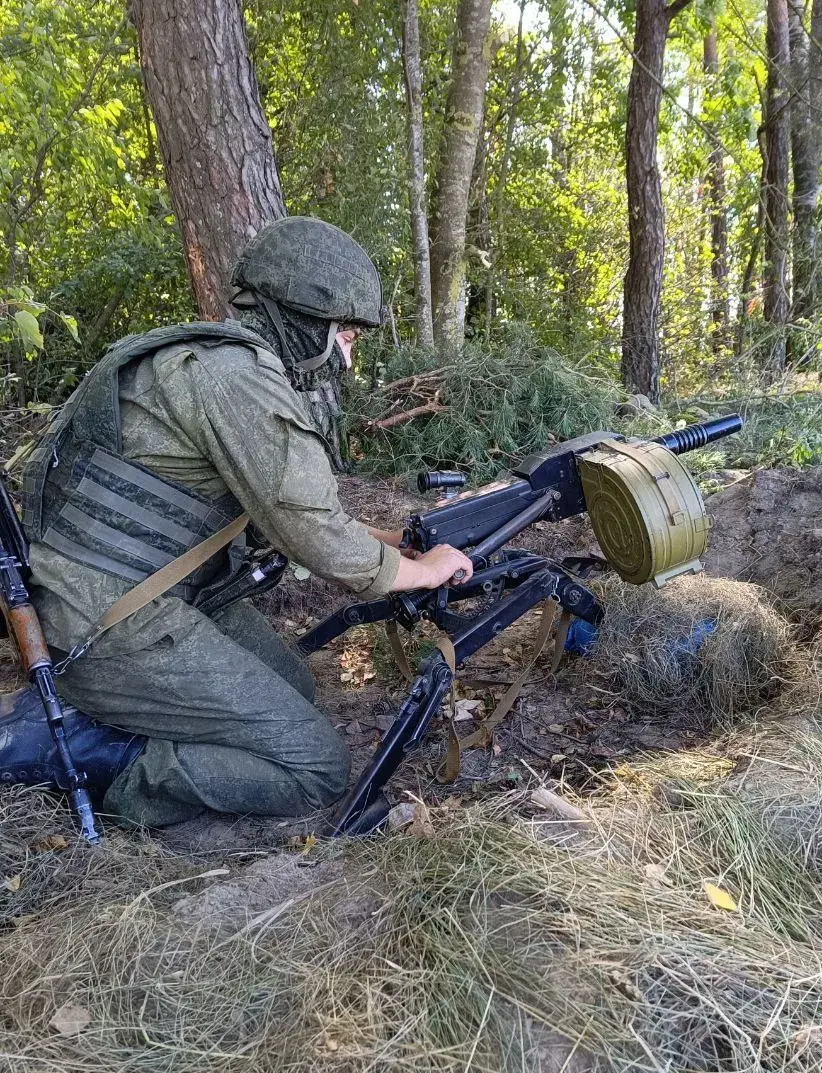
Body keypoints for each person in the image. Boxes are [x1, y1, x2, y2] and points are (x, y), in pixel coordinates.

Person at [3, 217, 472, 827]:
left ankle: (121, 716)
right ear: (306, 320)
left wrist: (393, 543)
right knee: (316, 768)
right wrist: (418, 572)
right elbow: (313, 535)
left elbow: (275, 515)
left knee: (296, 688)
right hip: (112, 623)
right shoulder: (239, 379)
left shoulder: (205, 358)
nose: (348, 352)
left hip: (121, 596)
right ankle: (114, 764)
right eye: (347, 334)